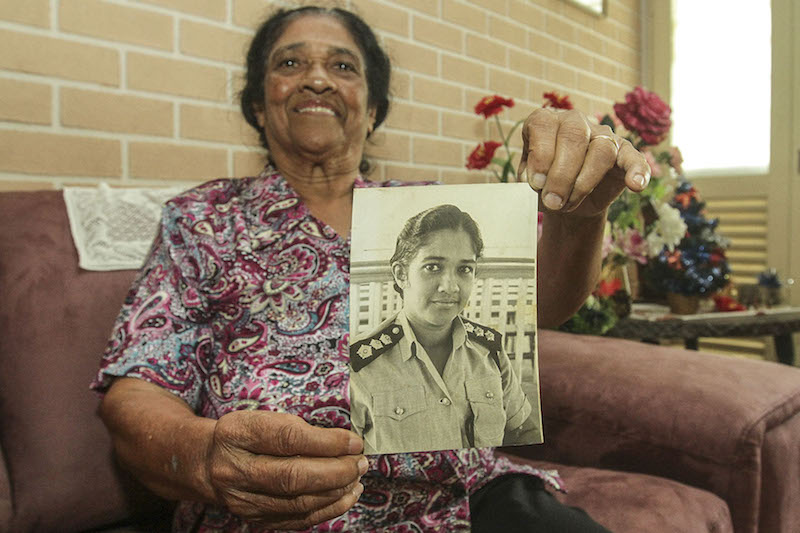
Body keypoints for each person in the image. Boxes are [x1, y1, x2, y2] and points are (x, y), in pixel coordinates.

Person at [93, 4, 649, 532]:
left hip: (462, 499)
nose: (316, 79)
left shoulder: (431, 210)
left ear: (373, 107)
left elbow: (543, 302)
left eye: (342, 66)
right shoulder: (201, 221)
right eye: (290, 64)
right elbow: (138, 387)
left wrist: (580, 214)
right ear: (259, 106)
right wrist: (203, 457)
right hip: (274, 514)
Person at [349, 204, 540, 454]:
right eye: (433, 267)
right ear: (401, 274)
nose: (450, 287)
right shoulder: (358, 366)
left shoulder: (489, 350)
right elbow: (339, 463)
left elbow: (523, 430)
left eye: (464, 269)